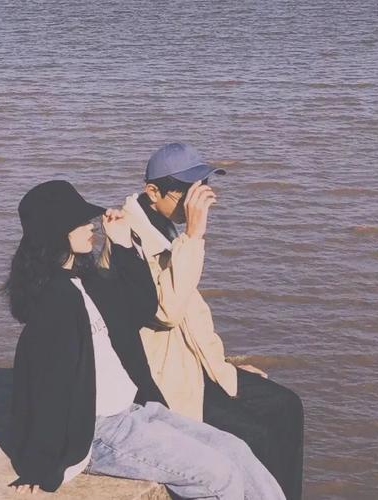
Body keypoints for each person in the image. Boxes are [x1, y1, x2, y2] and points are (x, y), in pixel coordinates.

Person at [4, 179, 285, 499]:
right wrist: (40, 464)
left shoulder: (85, 281)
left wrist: (123, 244)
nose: (91, 225)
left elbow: (141, 307)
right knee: (218, 475)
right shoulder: (54, 302)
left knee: (236, 450)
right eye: (79, 221)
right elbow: (46, 386)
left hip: (137, 410)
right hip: (98, 432)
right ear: (56, 231)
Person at [100, 143, 304, 500]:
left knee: (287, 407)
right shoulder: (127, 239)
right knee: (256, 437)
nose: (196, 199)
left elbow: (193, 319)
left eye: (202, 186)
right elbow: (166, 312)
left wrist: (223, 364)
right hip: (166, 381)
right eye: (186, 190)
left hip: (198, 366)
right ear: (153, 192)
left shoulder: (164, 225)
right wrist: (194, 236)